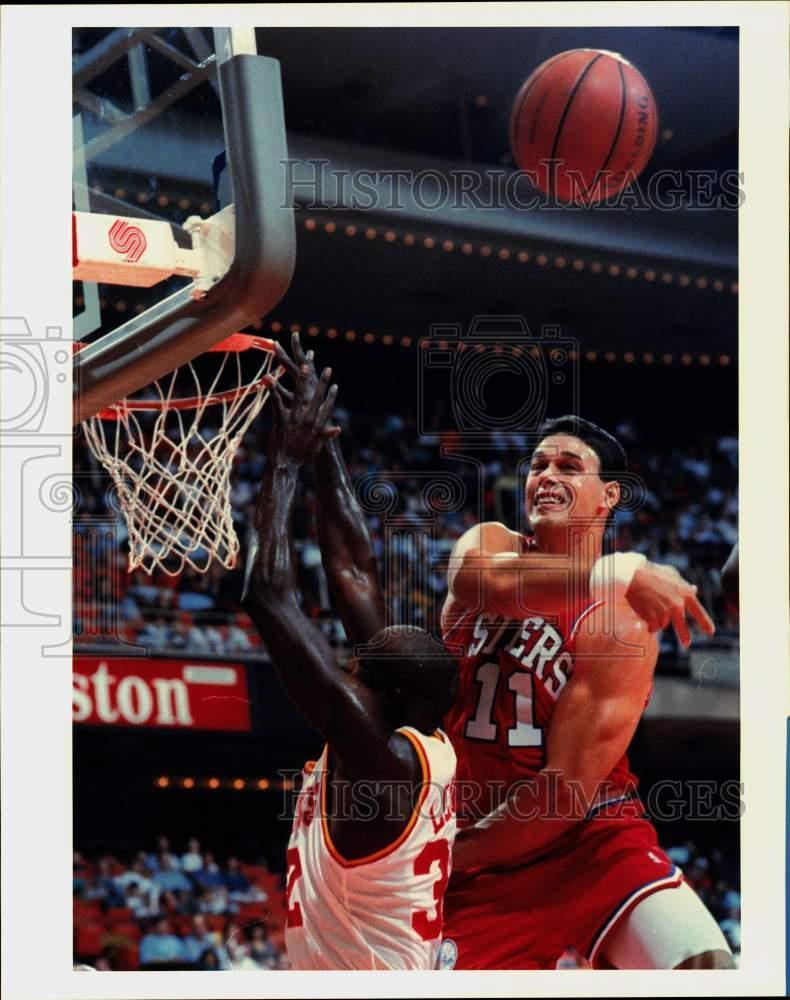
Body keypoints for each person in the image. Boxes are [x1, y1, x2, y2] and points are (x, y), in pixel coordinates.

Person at [439, 415, 734, 970]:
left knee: (706, 967)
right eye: (539, 465)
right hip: (482, 847)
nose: (546, 475)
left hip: (588, 838)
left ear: (610, 494)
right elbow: (483, 584)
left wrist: (447, 852)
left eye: (569, 467)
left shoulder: (621, 615)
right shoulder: (491, 544)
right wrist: (615, 572)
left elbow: (563, 792)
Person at [241, 336, 458, 970]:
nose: (349, 660)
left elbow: (266, 595)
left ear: (381, 701)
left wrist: (284, 462)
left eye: (358, 665)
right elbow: (353, 571)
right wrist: (326, 441)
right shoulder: (418, 738)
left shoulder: (381, 773)